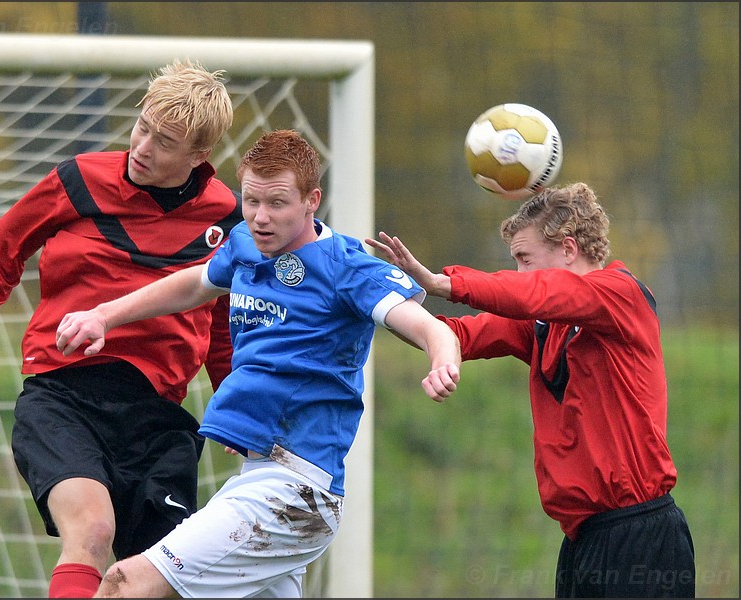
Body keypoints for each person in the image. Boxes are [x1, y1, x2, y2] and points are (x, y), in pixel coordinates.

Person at [54, 129, 462, 598]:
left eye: (277, 203)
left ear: (312, 200)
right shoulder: (246, 243)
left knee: (125, 583)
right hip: (259, 476)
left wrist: (442, 359)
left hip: (295, 492)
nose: (261, 218)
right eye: (251, 201)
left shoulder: (346, 267)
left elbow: (428, 326)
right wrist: (104, 314)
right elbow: (193, 284)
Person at [0, 59, 242, 598]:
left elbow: (220, 322)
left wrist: (241, 407)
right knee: (93, 530)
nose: (142, 147)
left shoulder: (228, 219)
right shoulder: (79, 180)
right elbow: (1, 250)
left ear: (199, 157)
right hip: (62, 395)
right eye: (141, 126)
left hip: (156, 417)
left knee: (160, 574)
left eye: (163, 142)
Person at [365, 182, 695, 598]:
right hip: (582, 540)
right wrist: (375, 305)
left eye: (525, 259)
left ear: (569, 249)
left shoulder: (621, 295)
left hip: (640, 535)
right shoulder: (542, 326)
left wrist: (444, 283)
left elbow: (539, 292)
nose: (520, 273)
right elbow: (452, 333)